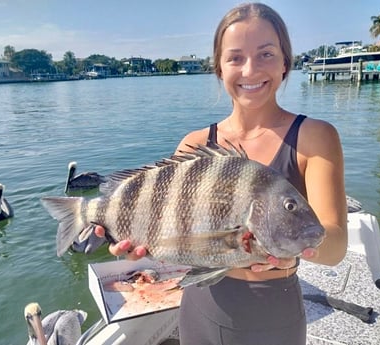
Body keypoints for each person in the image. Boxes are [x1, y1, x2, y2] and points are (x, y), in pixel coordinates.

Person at [95, 2, 347, 344]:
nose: (250, 70)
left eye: (266, 54)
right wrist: (135, 242)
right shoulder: (196, 144)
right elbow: (167, 230)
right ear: (219, 68)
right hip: (200, 310)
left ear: (286, 63)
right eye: (235, 57)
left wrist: (289, 245)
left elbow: (335, 246)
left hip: (275, 318)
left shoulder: (314, 136)